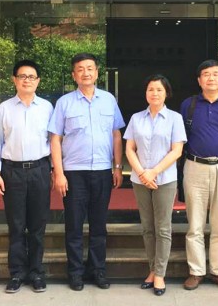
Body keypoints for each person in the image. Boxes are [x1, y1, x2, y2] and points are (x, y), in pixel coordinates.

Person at [48, 53, 125, 291]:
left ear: (97, 73)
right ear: (74, 75)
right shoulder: (64, 103)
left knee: (99, 225)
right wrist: (58, 173)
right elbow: (55, 139)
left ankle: (98, 270)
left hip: (102, 171)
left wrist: (118, 167)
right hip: (74, 173)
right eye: (80, 69)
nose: (86, 73)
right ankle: (75, 273)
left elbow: (116, 135)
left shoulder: (109, 100)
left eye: (90, 68)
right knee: (74, 226)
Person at [0, 60, 54, 294]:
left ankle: (36, 272)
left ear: (38, 81)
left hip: (40, 170)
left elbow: (54, 141)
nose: (27, 80)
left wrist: (55, 170)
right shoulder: (4, 108)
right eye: (22, 76)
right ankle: (16, 273)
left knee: (37, 225)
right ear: (14, 80)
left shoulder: (47, 107)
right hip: (12, 171)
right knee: (16, 225)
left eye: (31, 76)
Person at [180, 59, 218, 291]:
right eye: (206, 74)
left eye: (216, 74)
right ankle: (196, 271)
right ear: (199, 80)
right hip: (194, 165)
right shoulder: (188, 104)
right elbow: (181, 135)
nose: (211, 78)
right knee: (195, 223)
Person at [123, 74, 187, 296]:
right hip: (140, 180)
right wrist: (142, 173)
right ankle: (152, 269)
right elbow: (129, 148)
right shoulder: (136, 118)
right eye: (151, 89)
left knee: (163, 227)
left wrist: (154, 172)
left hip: (165, 179)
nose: (155, 93)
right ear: (146, 93)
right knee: (147, 227)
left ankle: (160, 273)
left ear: (166, 93)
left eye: (159, 89)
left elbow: (177, 151)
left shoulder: (175, 118)